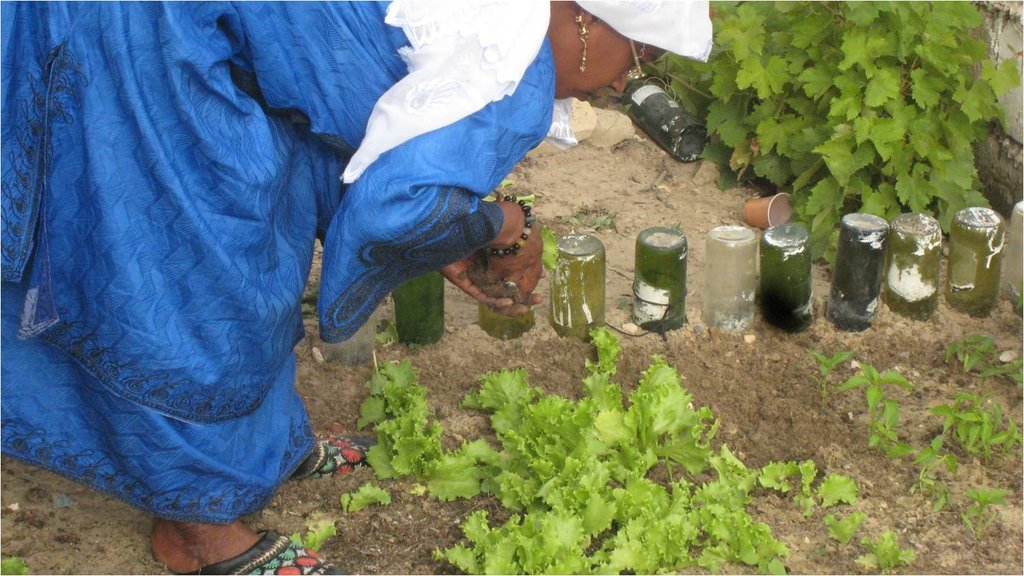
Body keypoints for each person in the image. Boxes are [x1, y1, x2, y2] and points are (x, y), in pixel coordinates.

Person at [0, 1, 711, 573]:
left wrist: (450, 233)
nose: (625, 84)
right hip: (138, 39)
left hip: (200, 36)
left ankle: (265, 447)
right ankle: (194, 527)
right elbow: (401, 208)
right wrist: (505, 225)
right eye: (641, 57)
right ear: (587, 21)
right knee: (191, 272)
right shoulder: (512, 66)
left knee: (266, 221)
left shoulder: (498, 24)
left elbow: (360, 137)